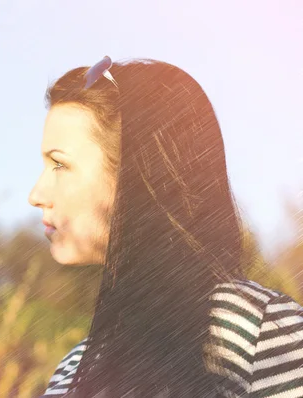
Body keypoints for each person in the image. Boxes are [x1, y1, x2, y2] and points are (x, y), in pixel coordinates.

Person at [28, 56, 303, 398]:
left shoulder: (261, 331)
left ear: (137, 176)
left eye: (59, 164)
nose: (36, 194)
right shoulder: (73, 368)